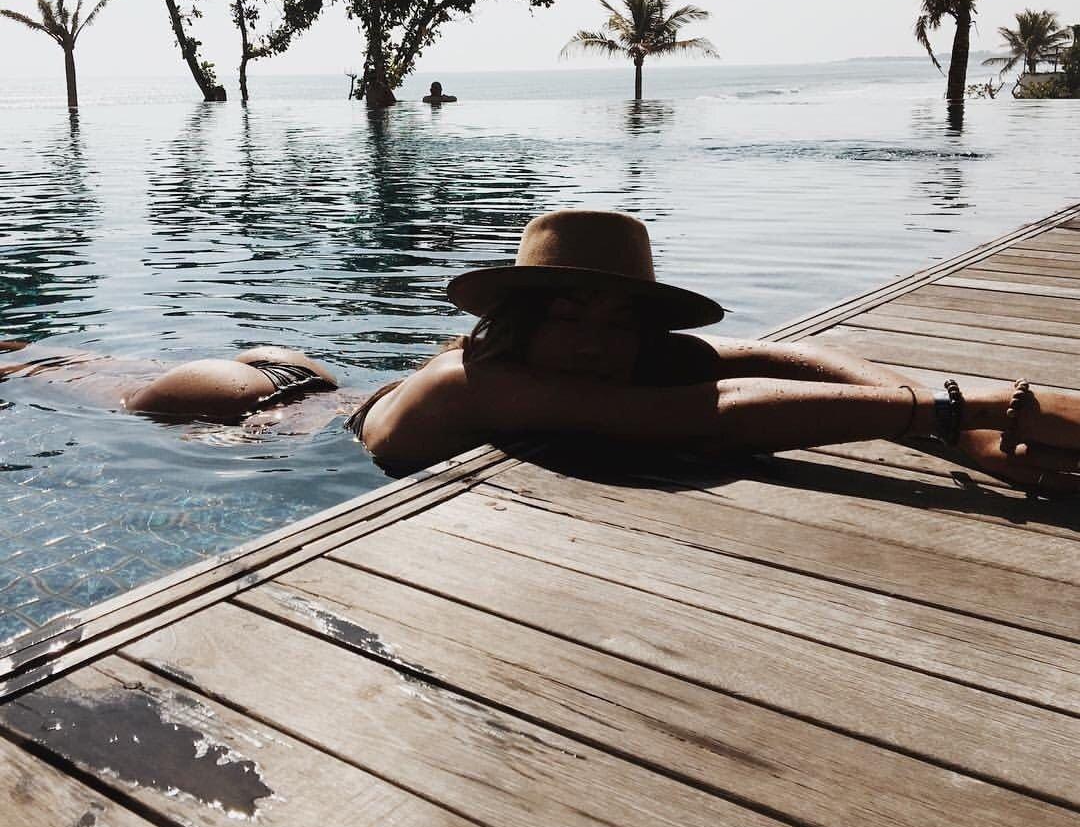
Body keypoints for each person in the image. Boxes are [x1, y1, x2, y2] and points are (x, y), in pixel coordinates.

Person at [3, 210, 1080, 495]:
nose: (603, 342)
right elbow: (697, 419)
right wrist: (966, 406)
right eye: (576, 314)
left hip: (326, 384)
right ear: (525, 318)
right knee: (49, 372)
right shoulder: (496, 382)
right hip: (244, 412)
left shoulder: (568, 361)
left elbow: (765, 359)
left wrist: (960, 425)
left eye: (620, 321)